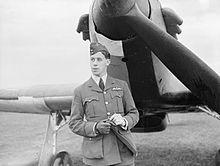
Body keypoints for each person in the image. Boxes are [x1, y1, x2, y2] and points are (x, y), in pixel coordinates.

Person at [69, 42, 139, 166]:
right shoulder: (80, 91)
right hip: (97, 157)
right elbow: (74, 123)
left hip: (122, 153)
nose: (95, 63)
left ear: (107, 62)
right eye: (92, 60)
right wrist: (95, 127)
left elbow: (134, 113)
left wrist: (123, 121)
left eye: (99, 59)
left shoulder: (121, 85)